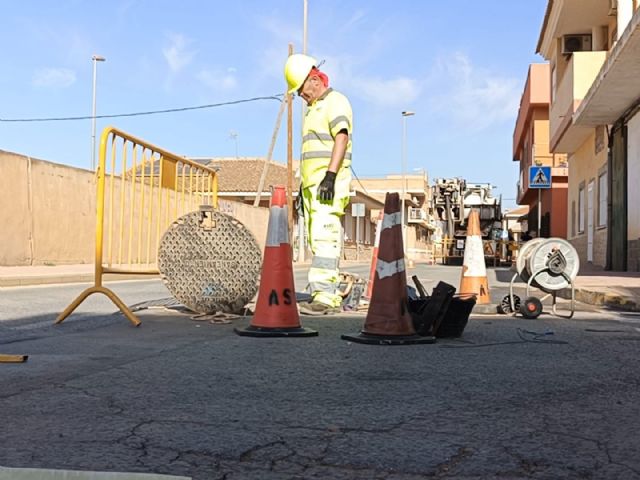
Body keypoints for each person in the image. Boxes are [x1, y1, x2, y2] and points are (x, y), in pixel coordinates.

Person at [284, 53, 353, 315]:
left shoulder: (335, 102)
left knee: (326, 235)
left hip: (327, 184)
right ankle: (320, 291)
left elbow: (341, 138)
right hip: (313, 187)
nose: (301, 95)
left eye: (301, 89)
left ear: (313, 79)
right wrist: (304, 189)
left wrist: (331, 175)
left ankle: (326, 297)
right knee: (315, 238)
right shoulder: (314, 110)